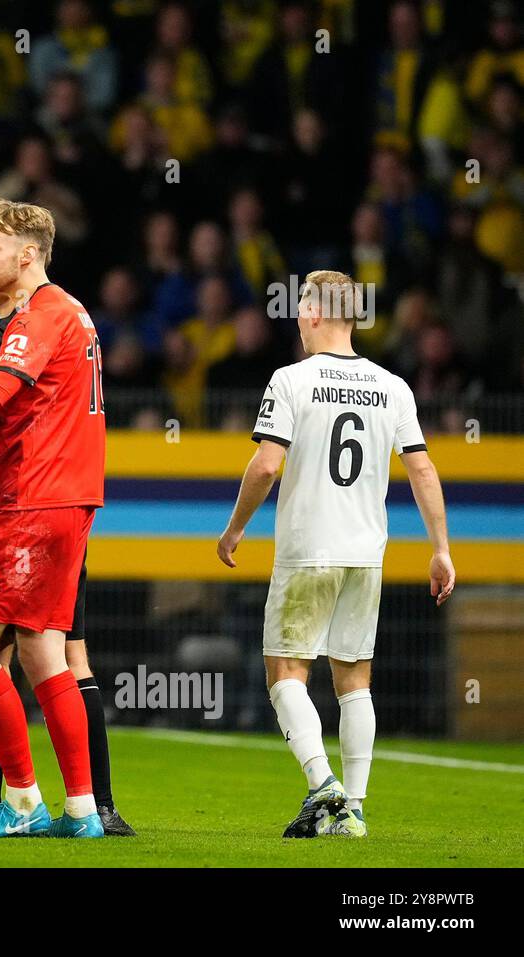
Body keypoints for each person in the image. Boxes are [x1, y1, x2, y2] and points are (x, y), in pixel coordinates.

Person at [217, 270, 455, 838]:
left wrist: (233, 530)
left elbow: (268, 463)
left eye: (301, 308)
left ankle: (324, 787)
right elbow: (421, 467)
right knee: (355, 682)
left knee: (285, 674)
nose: (298, 319)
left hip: (307, 550)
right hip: (365, 553)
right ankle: (356, 810)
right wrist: (441, 549)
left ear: (320, 314)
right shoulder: (392, 386)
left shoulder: (292, 381)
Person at [0, 199, 105, 838]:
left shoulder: (41, 314)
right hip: (69, 502)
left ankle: (23, 804)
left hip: (29, 500)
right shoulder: (73, 315)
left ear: (27, 256)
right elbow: (7, 407)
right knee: (42, 650)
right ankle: (82, 811)